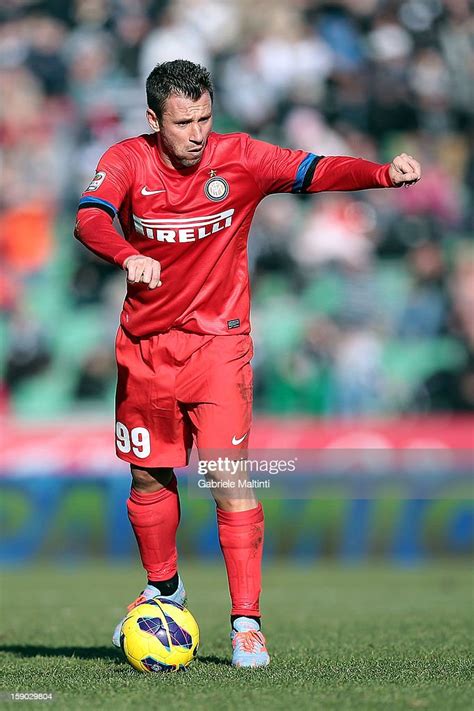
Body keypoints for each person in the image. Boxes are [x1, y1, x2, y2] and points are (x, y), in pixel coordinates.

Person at [74, 59, 421, 668]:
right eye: (184, 123)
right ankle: (164, 592)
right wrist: (128, 256)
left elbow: (314, 169)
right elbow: (90, 217)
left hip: (219, 342)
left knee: (225, 473)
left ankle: (246, 623)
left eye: (206, 118)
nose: (198, 133)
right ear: (154, 120)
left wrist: (381, 174)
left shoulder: (240, 157)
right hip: (147, 346)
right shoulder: (128, 159)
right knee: (149, 477)